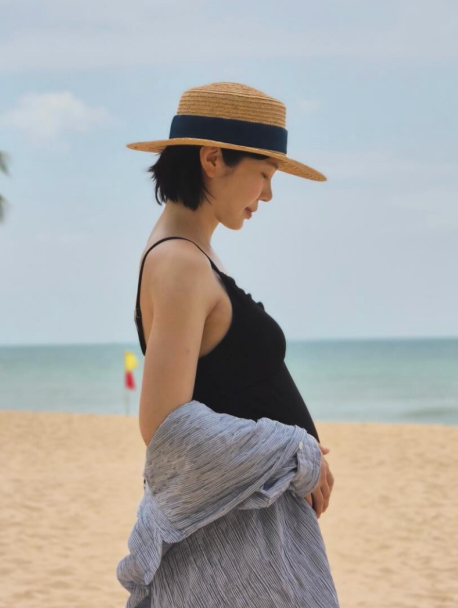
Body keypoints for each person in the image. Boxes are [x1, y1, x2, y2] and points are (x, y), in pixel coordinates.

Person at [117, 81, 339, 607]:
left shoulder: (193, 254)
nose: (268, 194)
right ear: (213, 159)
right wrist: (293, 448)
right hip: (237, 543)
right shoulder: (179, 262)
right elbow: (165, 426)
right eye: (264, 174)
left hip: (248, 525)